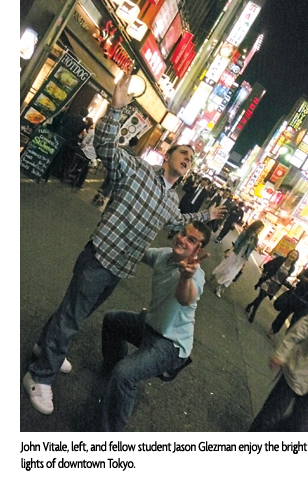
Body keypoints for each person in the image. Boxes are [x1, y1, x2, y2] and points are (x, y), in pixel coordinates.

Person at [22, 72, 226, 415]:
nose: (186, 159)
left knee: (77, 311)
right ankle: (40, 375)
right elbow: (106, 149)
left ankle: (46, 348)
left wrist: (209, 211)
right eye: (182, 153)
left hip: (118, 269)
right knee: (72, 315)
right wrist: (115, 109)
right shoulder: (138, 171)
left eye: (190, 160)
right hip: (100, 256)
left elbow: (180, 224)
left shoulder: (171, 202)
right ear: (166, 157)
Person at [96, 222, 211, 431]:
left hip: (171, 345)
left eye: (191, 240)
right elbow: (141, 253)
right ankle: (111, 374)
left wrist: (186, 277)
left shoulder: (195, 275)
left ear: (198, 250)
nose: (182, 240)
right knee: (112, 320)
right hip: (150, 325)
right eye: (183, 234)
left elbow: (186, 298)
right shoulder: (164, 255)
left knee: (125, 375)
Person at [249, 314, 308, 432]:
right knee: (270, 415)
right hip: (297, 372)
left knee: (299, 427)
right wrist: (281, 354)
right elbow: (301, 329)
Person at [211, 220, 264, 298]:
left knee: (232, 274)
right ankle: (215, 274)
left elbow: (249, 252)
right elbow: (237, 242)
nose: (260, 230)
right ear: (256, 226)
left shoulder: (256, 239)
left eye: (261, 229)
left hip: (242, 259)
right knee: (226, 268)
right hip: (235, 254)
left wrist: (244, 263)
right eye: (260, 228)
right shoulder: (246, 233)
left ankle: (220, 287)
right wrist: (230, 251)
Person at [245, 249, 299, 323]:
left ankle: (250, 305)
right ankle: (253, 313)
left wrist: (290, 286)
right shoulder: (280, 259)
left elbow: (283, 279)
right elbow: (268, 264)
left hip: (275, 286)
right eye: (292, 253)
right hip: (268, 280)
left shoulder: (292, 268)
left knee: (261, 297)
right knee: (261, 296)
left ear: (296, 258)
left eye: (295, 255)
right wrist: (264, 272)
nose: (293, 255)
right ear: (289, 253)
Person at [44, 107, 88, 182]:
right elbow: (78, 133)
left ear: (79, 111)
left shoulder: (71, 116)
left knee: (53, 152)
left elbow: (63, 122)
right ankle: (54, 171)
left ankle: (46, 167)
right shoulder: (83, 124)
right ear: (85, 115)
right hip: (69, 140)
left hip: (61, 135)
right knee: (61, 156)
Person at [92, 136, 138, 206]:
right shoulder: (133, 155)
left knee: (107, 179)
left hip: (113, 165)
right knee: (112, 183)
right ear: (135, 145)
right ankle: (102, 197)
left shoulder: (121, 147)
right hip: (120, 170)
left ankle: (99, 192)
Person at [267, 264, 308, 339]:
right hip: (295, 296)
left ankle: (288, 338)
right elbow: (299, 276)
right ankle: (273, 330)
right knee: (284, 314)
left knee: (296, 323)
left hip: (305, 305)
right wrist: (305, 280)